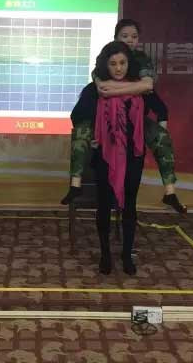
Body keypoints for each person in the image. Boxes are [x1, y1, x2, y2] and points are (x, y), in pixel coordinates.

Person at [61, 19, 186, 215]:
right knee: (81, 133)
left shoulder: (142, 65)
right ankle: (75, 185)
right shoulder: (98, 80)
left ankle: (170, 192)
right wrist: (94, 134)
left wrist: (118, 90)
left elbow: (153, 95)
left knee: (161, 137)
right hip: (104, 132)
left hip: (133, 134)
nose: (130, 40)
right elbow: (82, 108)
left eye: (134, 37)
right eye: (124, 36)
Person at [71, 41, 147, 275]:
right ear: (106, 65)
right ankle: (105, 254)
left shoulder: (139, 88)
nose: (118, 68)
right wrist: (92, 134)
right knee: (103, 205)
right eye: (113, 63)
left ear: (129, 63)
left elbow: (159, 111)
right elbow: (77, 116)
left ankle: (126, 255)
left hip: (133, 155)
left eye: (122, 63)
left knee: (130, 206)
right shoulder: (94, 90)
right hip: (105, 155)